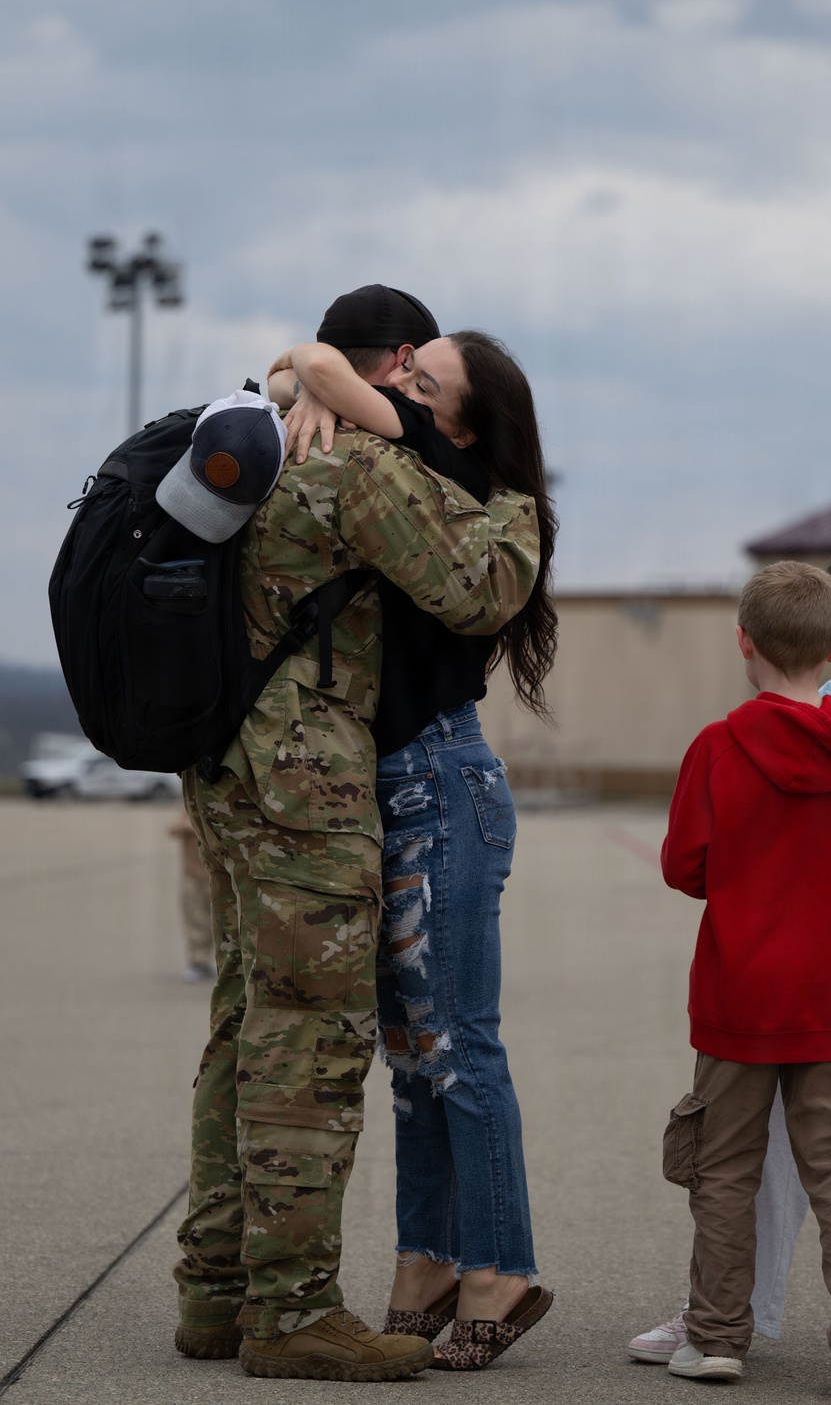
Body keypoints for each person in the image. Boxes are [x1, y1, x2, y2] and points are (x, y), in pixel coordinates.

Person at [170, 287, 542, 1382]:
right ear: (389, 371)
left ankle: (216, 1290)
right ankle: (290, 1312)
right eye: (414, 377)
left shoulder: (241, 437)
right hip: (306, 780)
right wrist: (518, 492)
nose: (415, 399)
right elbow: (483, 588)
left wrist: (295, 370)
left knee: (243, 1022)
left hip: (224, 763)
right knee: (314, 1037)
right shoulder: (354, 465)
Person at [264, 327, 557, 1369]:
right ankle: (427, 1258)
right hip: (391, 788)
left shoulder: (458, 470)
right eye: (402, 371)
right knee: (410, 1059)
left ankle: (502, 1267)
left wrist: (316, 377)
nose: (399, 384)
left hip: (443, 782)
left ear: (466, 422)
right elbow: (298, 371)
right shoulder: (403, 464)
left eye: (422, 380)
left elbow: (311, 360)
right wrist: (302, 385)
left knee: (460, 1049)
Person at [656, 561, 831, 1392]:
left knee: (723, 1167)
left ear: (744, 643)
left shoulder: (718, 746)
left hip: (742, 994)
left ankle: (720, 1336)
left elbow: (684, 866)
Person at [168, 810, 215, 981]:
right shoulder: (188, 809)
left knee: (221, 921)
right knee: (195, 920)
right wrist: (190, 825)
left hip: (218, 877)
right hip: (192, 877)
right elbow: (172, 829)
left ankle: (226, 964)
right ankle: (199, 962)